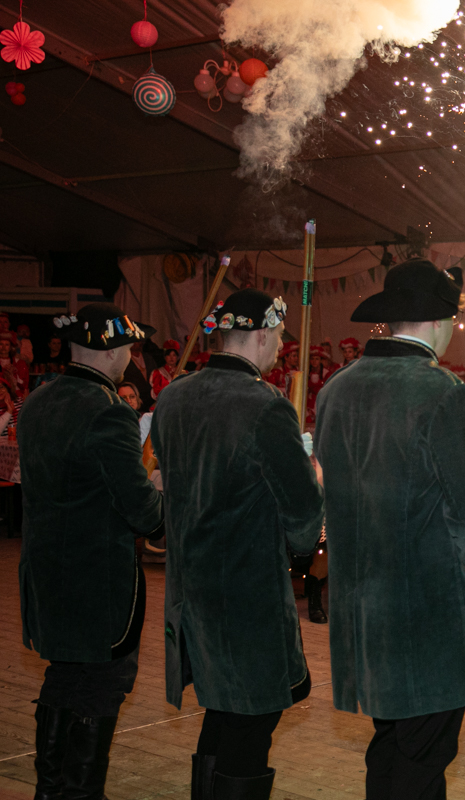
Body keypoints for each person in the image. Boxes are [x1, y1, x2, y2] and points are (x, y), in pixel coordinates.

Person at [316, 259, 465, 799]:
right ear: (440, 323)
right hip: (425, 605)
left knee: (390, 743)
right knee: (423, 755)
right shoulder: (443, 392)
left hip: (359, 603)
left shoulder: (335, 389)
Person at [151, 290, 323, 798]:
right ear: (263, 335)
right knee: (252, 718)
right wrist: (314, 493)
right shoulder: (264, 406)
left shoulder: (173, 396)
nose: (281, 349)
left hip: (190, 587)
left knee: (222, 710)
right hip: (246, 596)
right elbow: (302, 517)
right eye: (279, 338)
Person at [18, 304, 163, 800]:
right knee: (103, 683)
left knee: (63, 678)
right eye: (128, 347)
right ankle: (80, 793)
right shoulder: (108, 411)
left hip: (44, 573)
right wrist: (161, 496)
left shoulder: (38, 400)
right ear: (111, 351)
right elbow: (142, 512)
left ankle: (50, 790)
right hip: (95, 581)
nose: (131, 357)